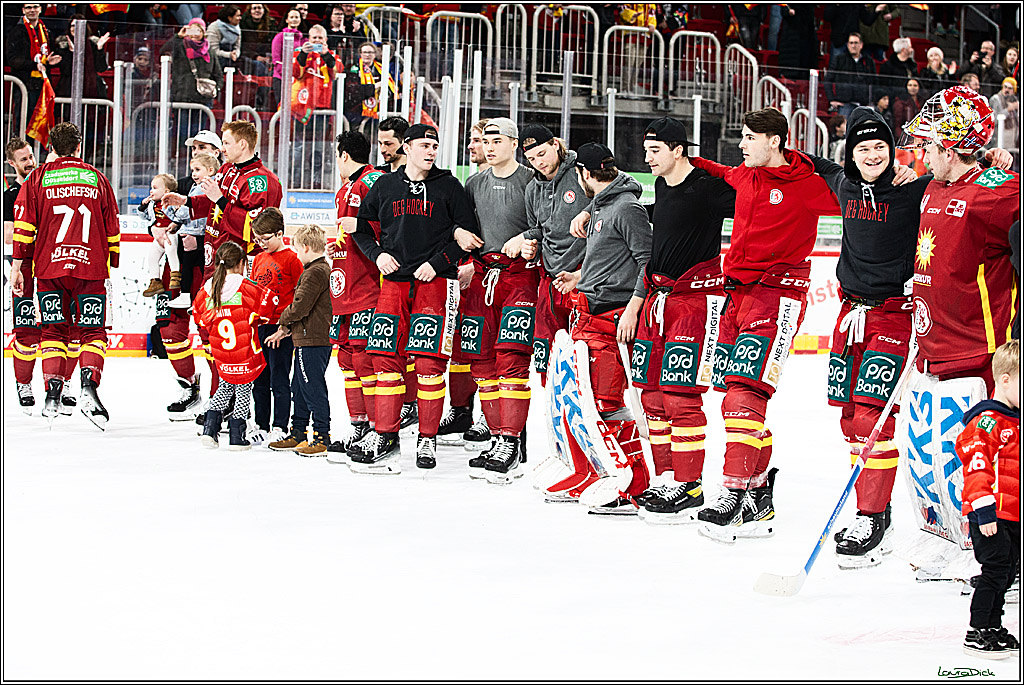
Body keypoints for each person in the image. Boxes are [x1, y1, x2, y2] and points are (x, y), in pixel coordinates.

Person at [687, 108, 840, 541]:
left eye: (749, 137)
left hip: (778, 296)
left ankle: (732, 493)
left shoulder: (809, 187)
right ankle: (756, 492)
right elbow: (720, 169)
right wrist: (687, 158)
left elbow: (862, 199)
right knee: (736, 399)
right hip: (735, 296)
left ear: (774, 141)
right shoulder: (744, 175)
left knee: (744, 392)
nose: (742, 144)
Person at [806, 107, 928, 566]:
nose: (873, 154)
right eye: (864, 148)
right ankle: (876, 509)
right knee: (850, 417)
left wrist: (995, 160)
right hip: (849, 315)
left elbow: (961, 180)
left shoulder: (912, 190)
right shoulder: (843, 184)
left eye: (881, 147)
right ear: (851, 153)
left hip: (894, 316)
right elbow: (811, 163)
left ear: (893, 151)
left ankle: (872, 515)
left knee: (874, 419)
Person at [349, 123, 480, 474]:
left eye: (435, 145)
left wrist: (438, 264)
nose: (431, 151)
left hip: (435, 285)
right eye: (425, 144)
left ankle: (427, 436)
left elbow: (469, 237)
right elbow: (360, 228)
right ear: (407, 147)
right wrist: (376, 255)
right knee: (385, 359)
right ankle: (385, 435)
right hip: (393, 285)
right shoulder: (385, 186)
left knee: (429, 364)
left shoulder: (449, 186)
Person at [626, 117, 735, 523]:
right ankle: (668, 476)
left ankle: (690, 486)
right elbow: (669, 217)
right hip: (659, 301)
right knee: (652, 397)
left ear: (678, 150)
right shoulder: (662, 185)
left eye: (655, 151)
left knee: (680, 396)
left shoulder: (708, 189)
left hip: (695, 303)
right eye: (646, 149)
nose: (647, 158)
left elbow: (754, 202)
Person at [900, 86, 1019, 391]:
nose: (921, 154)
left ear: (950, 151)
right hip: (930, 352)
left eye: (928, 146)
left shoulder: (997, 192)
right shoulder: (933, 187)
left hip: (978, 357)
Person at [558, 142, 653, 514]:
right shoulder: (601, 203)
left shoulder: (626, 208)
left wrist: (633, 307)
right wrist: (582, 276)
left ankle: (636, 483)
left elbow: (647, 261)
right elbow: (613, 259)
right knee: (588, 404)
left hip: (612, 317)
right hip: (590, 311)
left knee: (608, 404)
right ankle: (607, 473)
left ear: (583, 173)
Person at [10, 122, 120, 428]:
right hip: (90, 268)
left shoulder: (38, 179)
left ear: (51, 149)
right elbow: (112, 224)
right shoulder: (96, 178)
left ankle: (53, 392)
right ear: (79, 147)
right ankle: (88, 387)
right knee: (92, 333)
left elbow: (24, 227)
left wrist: (17, 266)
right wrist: (111, 259)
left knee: (52, 332)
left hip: (48, 268)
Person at [460, 118, 537, 482]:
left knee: (512, 358)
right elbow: (460, 224)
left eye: (496, 140)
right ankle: (495, 436)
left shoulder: (531, 181)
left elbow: (547, 224)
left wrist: (528, 236)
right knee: (482, 360)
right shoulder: (473, 183)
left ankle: (511, 438)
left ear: (514, 144)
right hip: (482, 277)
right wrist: (459, 233)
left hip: (519, 277)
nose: (488, 147)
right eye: (484, 141)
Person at [322, 132, 385, 459]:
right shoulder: (344, 189)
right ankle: (358, 425)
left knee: (364, 358)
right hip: (344, 287)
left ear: (344, 155)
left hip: (367, 286)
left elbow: (385, 227)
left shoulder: (373, 180)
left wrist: (359, 227)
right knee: (346, 359)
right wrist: (339, 246)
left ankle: (377, 427)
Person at [958, 339, 1020, 658]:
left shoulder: (1016, 420)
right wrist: (984, 510)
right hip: (991, 515)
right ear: (1006, 379)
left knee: (1008, 571)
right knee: (995, 570)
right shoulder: (987, 421)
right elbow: (976, 464)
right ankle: (977, 629)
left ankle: (994, 625)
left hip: (1013, 516)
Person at [433, 118, 491, 449]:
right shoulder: (469, 181)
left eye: (478, 140)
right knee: (460, 345)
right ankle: (460, 409)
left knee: (487, 347)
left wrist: (473, 263)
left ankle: (487, 413)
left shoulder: (506, 182)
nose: (471, 145)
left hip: (488, 274)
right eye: (471, 139)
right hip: (463, 274)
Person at [157, 135, 222, 421]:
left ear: (218, 154)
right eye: (193, 150)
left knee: (212, 335)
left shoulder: (226, 187)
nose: (196, 154)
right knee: (169, 331)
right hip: (174, 269)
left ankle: (217, 399)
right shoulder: (181, 185)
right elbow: (159, 220)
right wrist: (158, 231)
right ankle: (188, 386)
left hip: (206, 267)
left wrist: (203, 236)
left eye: (203, 149)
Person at [193, 240, 278, 450]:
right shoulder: (246, 286)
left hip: (221, 353)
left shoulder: (208, 288)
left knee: (224, 388)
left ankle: (210, 430)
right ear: (241, 263)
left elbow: (198, 316)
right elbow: (268, 308)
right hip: (244, 350)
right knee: (243, 390)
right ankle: (237, 434)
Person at [266, 224, 334, 456]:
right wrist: (286, 329)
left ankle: (322, 436)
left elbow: (300, 306)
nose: (295, 254)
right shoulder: (317, 270)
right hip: (306, 338)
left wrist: (281, 321)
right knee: (299, 386)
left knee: (312, 387)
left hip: (313, 339)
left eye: (296, 249)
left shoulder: (315, 272)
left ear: (305, 247)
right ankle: (298, 432)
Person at [248, 208, 302, 442]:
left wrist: (287, 326)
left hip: (281, 328)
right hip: (260, 326)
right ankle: (261, 424)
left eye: (265, 239)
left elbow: (300, 294)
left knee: (279, 378)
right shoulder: (259, 259)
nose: (260, 244)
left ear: (280, 233)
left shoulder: (292, 259)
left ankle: (280, 425)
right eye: (257, 239)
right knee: (260, 379)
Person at [4, 137, 39, 412]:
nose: (30, 162)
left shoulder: (45, 185)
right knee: (26, 329)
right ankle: (23, 383)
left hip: (53, 264)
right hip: (25, 267)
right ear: (12, 163)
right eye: (24, 159)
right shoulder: (10, 194)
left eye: (31, 156)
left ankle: (60, 385)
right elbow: (7, 233)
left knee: (60, 327)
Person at [164, 152, 219, 307]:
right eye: (192, 170)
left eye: (197, 170)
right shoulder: (205, 186)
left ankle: (188, 296)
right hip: (199, 232)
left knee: (191, 266)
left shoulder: (203, 187)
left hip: (195, 232)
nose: (193, 174)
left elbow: (188, 210)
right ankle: (203, 297)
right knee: (203, 267)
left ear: (210, 170)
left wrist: (172, 211)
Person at [5, 3, 61, 118]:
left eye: (35, 7)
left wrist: (48, 63)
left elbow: (48, 56)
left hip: (43, 84)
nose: (32, 10)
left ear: (40, 9)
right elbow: (12, 60)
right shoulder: (16, 32)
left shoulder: (46, 31)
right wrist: (35, 65)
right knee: (24, 123)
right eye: (28, 7)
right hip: (24, 85)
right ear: (23, 10)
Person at [165, 19, 224, 107]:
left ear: (203, 32)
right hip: (182, 97)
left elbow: (218, 74)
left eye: (198, 31)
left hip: (203, 99)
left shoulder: (210, 51)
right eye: (192, 30)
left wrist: (216, 89)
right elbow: (164, 50)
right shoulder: (180, 46)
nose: (194, 34)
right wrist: (178, 36)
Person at [140, 174, 180, 298]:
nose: (151, 191)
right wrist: (143, 206)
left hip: (169, 233)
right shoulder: (152, 204)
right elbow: (145, 217)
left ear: (166, 191)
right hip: (157, 236)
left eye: (155, 188)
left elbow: (180, 216)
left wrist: (175, 224)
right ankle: (155, 281)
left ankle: (175, 275)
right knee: (152, 256)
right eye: (151, 187)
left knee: (171, 249)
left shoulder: (173, 203)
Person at [51, 14, 109, 99]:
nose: (75, 29)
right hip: (68, 90)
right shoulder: (63, 46)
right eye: (73, 26)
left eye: (78, 26)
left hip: (91, 90)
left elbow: (101, 68)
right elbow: (66, 71)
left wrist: (99, 49)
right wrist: (71, 53)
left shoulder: (93, 45)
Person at [345, 42, 397, 129]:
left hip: (379, 110)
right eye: (364, 52)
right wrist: (375, 86)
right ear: (360, 54)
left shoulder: (381, 69)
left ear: (375, 54)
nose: (367, 55)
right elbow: (354, 91)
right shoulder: (353, 68)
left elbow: (390, 88)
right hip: (357, 111)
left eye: (370, 52)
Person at [827, 32, 877, 119]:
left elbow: (874, 82)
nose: (853, 46)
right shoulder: (839, 60)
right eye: (851, 43)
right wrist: (832, 99)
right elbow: (828, 80)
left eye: (856, 43)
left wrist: (872, 100)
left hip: (863, 105)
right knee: (844, 130)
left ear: (861, 45)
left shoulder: (869, 61)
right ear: (847, 45)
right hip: (844, 104)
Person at [271, 8, 304, 111]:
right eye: (292, 17)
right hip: (281, 79)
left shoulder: (303, 39)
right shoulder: (279, 37)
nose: (294, 19)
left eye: (296, 17)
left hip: (298, 80)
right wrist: (288, 73)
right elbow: (276, 60)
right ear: (286, 20)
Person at [877, 37, 917, 101]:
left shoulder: (912, 66)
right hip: (893, 100)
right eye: (910, 48)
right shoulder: (887, 66)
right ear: (904, 50)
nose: (912, 50)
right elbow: (884, 86)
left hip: (910, 100)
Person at [989, 78, 1020, 153]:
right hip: (998, 140)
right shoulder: (995, 99)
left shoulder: (1015, 101)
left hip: (1012, 141)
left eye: (1010, 88)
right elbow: (993, 120)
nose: (1006, 90)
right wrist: (1008, 109)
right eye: (1005, 87)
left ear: (1014, 91)